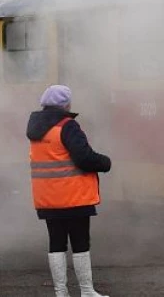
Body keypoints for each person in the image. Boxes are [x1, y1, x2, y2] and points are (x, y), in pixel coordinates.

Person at [27, 85, 111, 297]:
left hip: (48, 198)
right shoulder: (68, 126)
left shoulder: (36, 129)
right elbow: (84, 157)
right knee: (80, 242)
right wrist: (105, 162)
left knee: (56, 243)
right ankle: (86, 291)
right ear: (66, 104)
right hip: (74, 197)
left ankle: (61, 292)